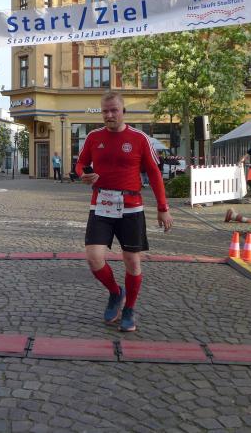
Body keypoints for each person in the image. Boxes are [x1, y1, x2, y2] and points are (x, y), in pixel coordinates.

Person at [76, 92, 173, 333]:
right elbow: (80, 163)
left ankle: (129, 308)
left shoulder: (139, 139)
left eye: (114, 110)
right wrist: (82, 174)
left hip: (131, 207)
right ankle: (115, 292)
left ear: (123, 112)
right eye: (105, 111)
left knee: (132, 260)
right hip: (101, 204)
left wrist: (163, 208)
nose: (109, 115)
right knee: (94, 257)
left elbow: (154, 174)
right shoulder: (93, 137)